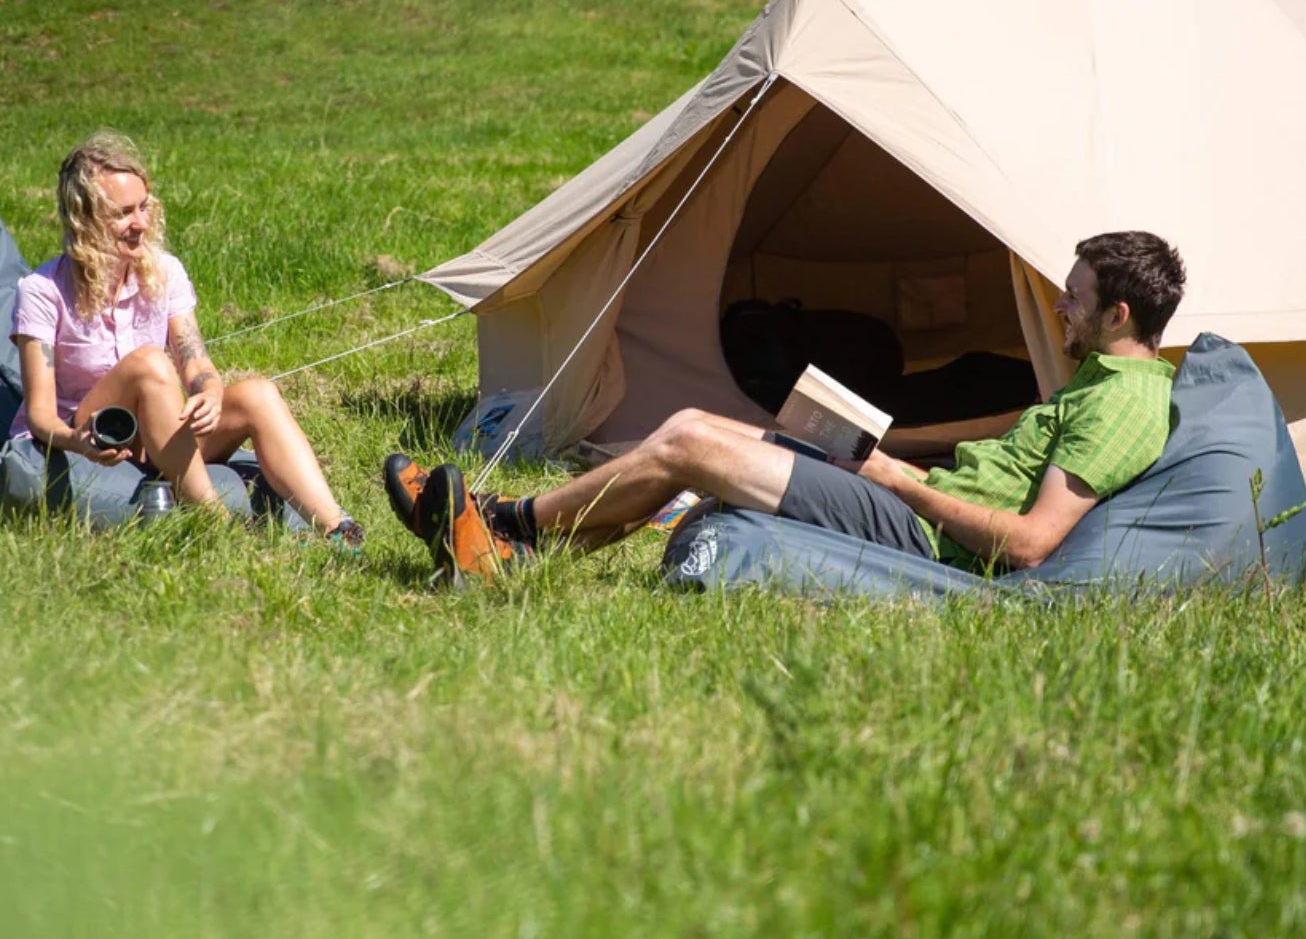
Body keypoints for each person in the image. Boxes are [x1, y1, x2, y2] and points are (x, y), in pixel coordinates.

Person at [384, 231, 1185, 583]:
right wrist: (892, 452)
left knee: (691, 449)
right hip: (918, 492)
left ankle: (505, 524)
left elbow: (1031, 544)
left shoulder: (1124, 407)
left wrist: (897, 482)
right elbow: (1007, 449)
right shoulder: (1102, 381)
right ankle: (507, 551)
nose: (1059, 307)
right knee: (697, 425)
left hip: (926, 535)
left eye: (1074, 298)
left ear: (1118, 315)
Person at [8, 131, 364, 545]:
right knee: (150, 364)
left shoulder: (165, 272)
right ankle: (217, 527)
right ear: (82, 219)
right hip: (86, 436)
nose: (140, 223)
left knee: (257, 393)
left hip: (154, 435)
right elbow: (40, 415)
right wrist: (79, 441)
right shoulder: (42, 291)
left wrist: (208, 391)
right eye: (123, 213)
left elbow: (194, 358)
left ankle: (339, 531)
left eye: (143, 207)